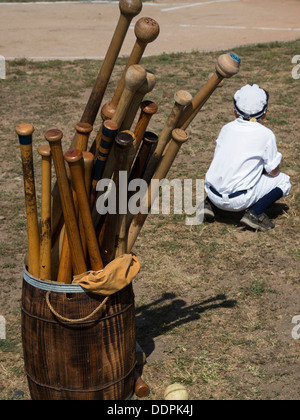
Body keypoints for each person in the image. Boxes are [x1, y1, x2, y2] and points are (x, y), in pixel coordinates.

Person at [204, 84, 291, 232]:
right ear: (265, 114)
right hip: (239, 201)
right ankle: (255, 213)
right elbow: (274, 172)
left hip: (211, 193)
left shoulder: (226, 128)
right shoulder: (266, 134)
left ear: (234, 111)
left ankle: (208, 204)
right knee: (284, 181)